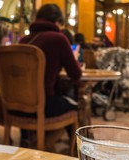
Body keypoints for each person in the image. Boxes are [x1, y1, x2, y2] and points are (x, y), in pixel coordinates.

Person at [18, 3, 82, 149]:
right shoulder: (58, 39)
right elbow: (76, 74)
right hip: (43, 106)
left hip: (17, 106)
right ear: (58, 22)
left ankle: (29, 140)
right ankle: (51, 145)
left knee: (60, 100)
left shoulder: (23, 40)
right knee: (76, 107)